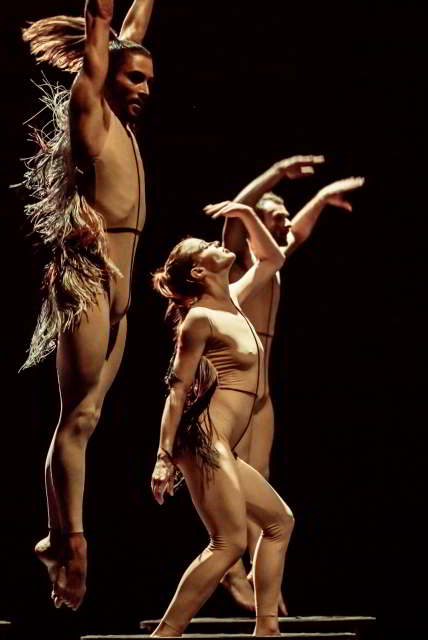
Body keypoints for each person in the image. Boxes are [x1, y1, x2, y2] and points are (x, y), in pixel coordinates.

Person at [19, 0, 156, 611]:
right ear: (104, 74)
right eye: (136, 78)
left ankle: (61, 538)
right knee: (75, 418)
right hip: (90, 278)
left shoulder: (121, 123)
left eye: (150, 81)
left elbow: (131, 32)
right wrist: (102, 23)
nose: (145, 89)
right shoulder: (91, 113)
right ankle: (66, 543)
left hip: (120, 285)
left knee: (91, 417)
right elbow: (104, 26)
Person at [221, 156, 365, 612]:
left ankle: (255, 569)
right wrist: (278, 172)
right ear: (255, 221)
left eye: (286, 214)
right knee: (233, 479)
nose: (285, 220)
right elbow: (237, 210)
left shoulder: (272, 261)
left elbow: (297, 234)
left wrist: (320, 198)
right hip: (235, 380)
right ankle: (230, 564)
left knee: (259, 479)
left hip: (262, 386)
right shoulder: (238, 262)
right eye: (277, 214)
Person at [151, 200, 295, 638]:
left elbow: (272, 259)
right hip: (202, 439)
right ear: (199, 271)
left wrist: (246, 213)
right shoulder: (199, 318)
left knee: (279, 523)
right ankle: (166, 634)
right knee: (229, 542)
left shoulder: (233, 301)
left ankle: (267, 629)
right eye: (207, 245)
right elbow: (177, 389)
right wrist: (163, 457)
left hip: (220, 445)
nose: (218, 242)